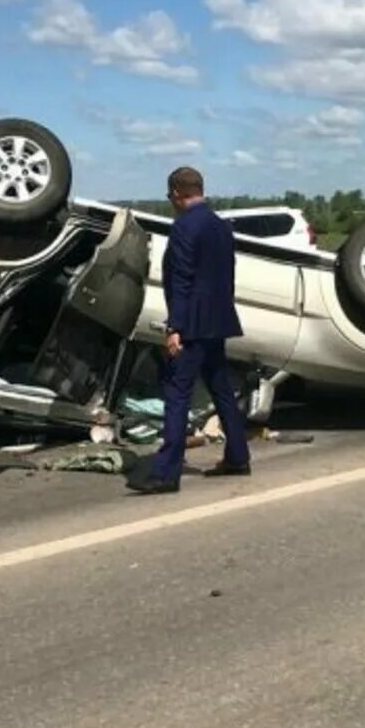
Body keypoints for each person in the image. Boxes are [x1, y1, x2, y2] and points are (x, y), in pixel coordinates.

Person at [129, 166, 251, 495]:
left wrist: (175, 328)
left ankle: (166, 473)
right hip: (218, 320)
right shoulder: (220, 227)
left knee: (176, 393)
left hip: (193, 325)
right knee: (221, 388)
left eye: (170, 196)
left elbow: (181, 280)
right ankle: (238, 455)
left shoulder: (184, 228)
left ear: (177, 193)